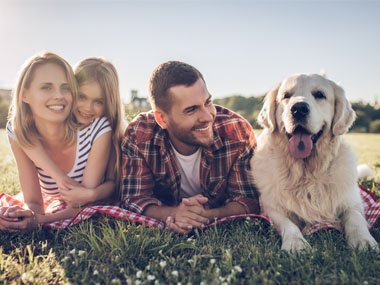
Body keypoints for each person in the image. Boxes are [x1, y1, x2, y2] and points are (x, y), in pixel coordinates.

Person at [121, 61, 260, 234]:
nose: (207, 116)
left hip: (213, 211)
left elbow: (248, 199)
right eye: (191, 110)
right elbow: (135, 198)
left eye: (208, 102)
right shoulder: (139, 134)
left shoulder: (236, 131)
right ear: (162, 119)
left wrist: (206, 215)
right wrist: (174, 214)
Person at [0, 53, 122, 230]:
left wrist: (39, 220)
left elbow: (82, 203)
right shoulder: (20, 132)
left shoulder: (97, 129)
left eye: (64, 88)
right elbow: (34, 202)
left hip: (93, 198)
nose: (58, 96)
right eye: (46, 87)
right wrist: (26, 217)